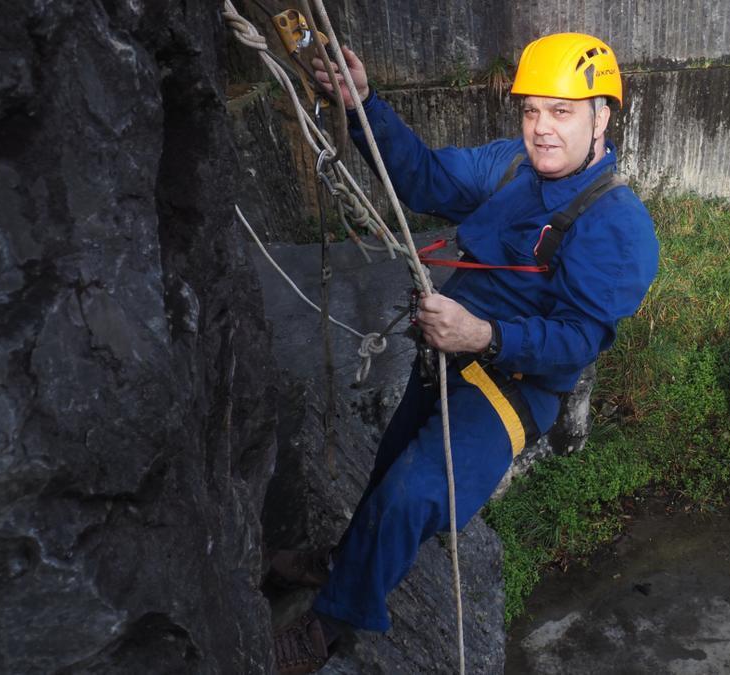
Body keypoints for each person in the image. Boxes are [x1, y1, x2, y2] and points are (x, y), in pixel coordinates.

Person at [269, 33, 659, 673]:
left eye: (561, 111)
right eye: (532, 110)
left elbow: (578, 341)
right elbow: (426, 178)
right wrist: (364, 103)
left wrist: (486, 335)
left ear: (602, 116)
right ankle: (341, 560)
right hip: (450, 353)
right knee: (387, 468)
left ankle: (327, 628)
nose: (541, 128)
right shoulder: (512, 168)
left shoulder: (617, 226)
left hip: (514, 387)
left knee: (414, 494)